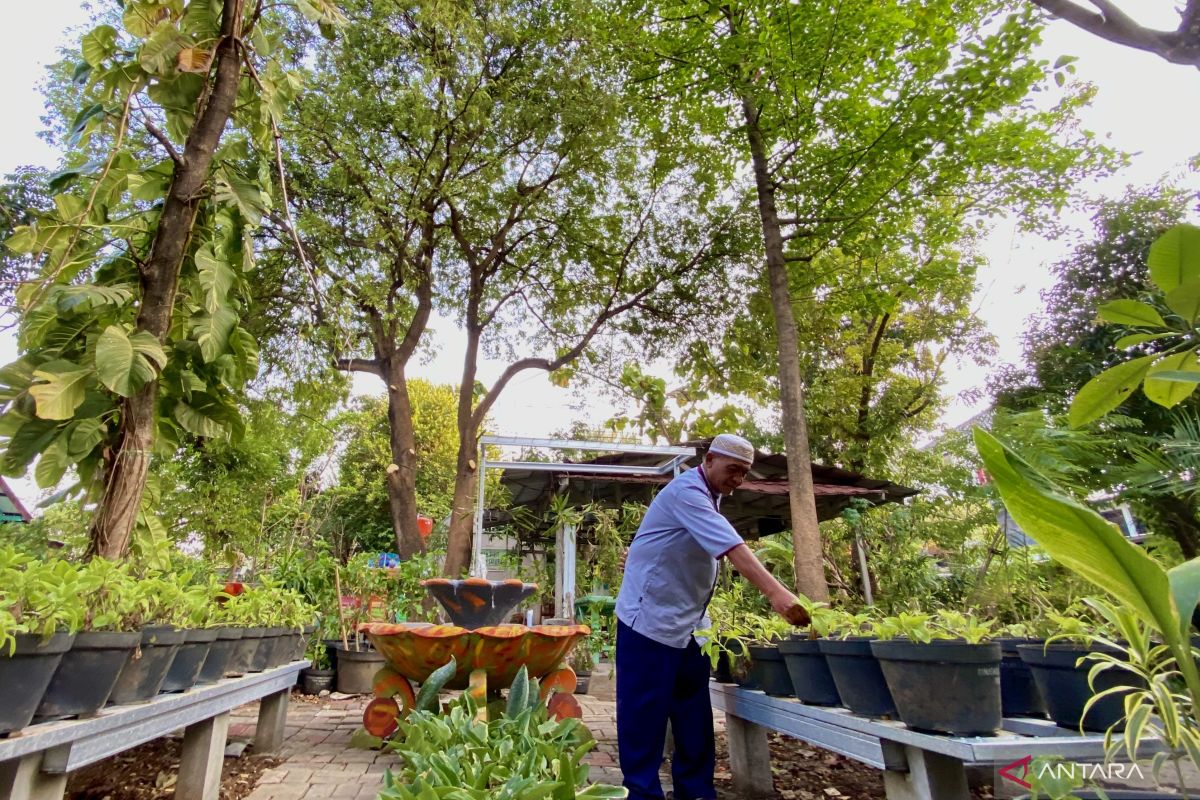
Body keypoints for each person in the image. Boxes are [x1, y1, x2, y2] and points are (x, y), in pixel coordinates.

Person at [614, 433, 810, 800]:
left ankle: (697, 792)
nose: (737, 479)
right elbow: (730, 545)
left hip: (690, 628)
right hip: (648, 623)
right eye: (732, 469)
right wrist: (777, 594)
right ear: (709, 460)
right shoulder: (687, 492)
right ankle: (641, 793)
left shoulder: (710, 496)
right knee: (644, 716)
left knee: (693, 716)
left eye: (744, 473)